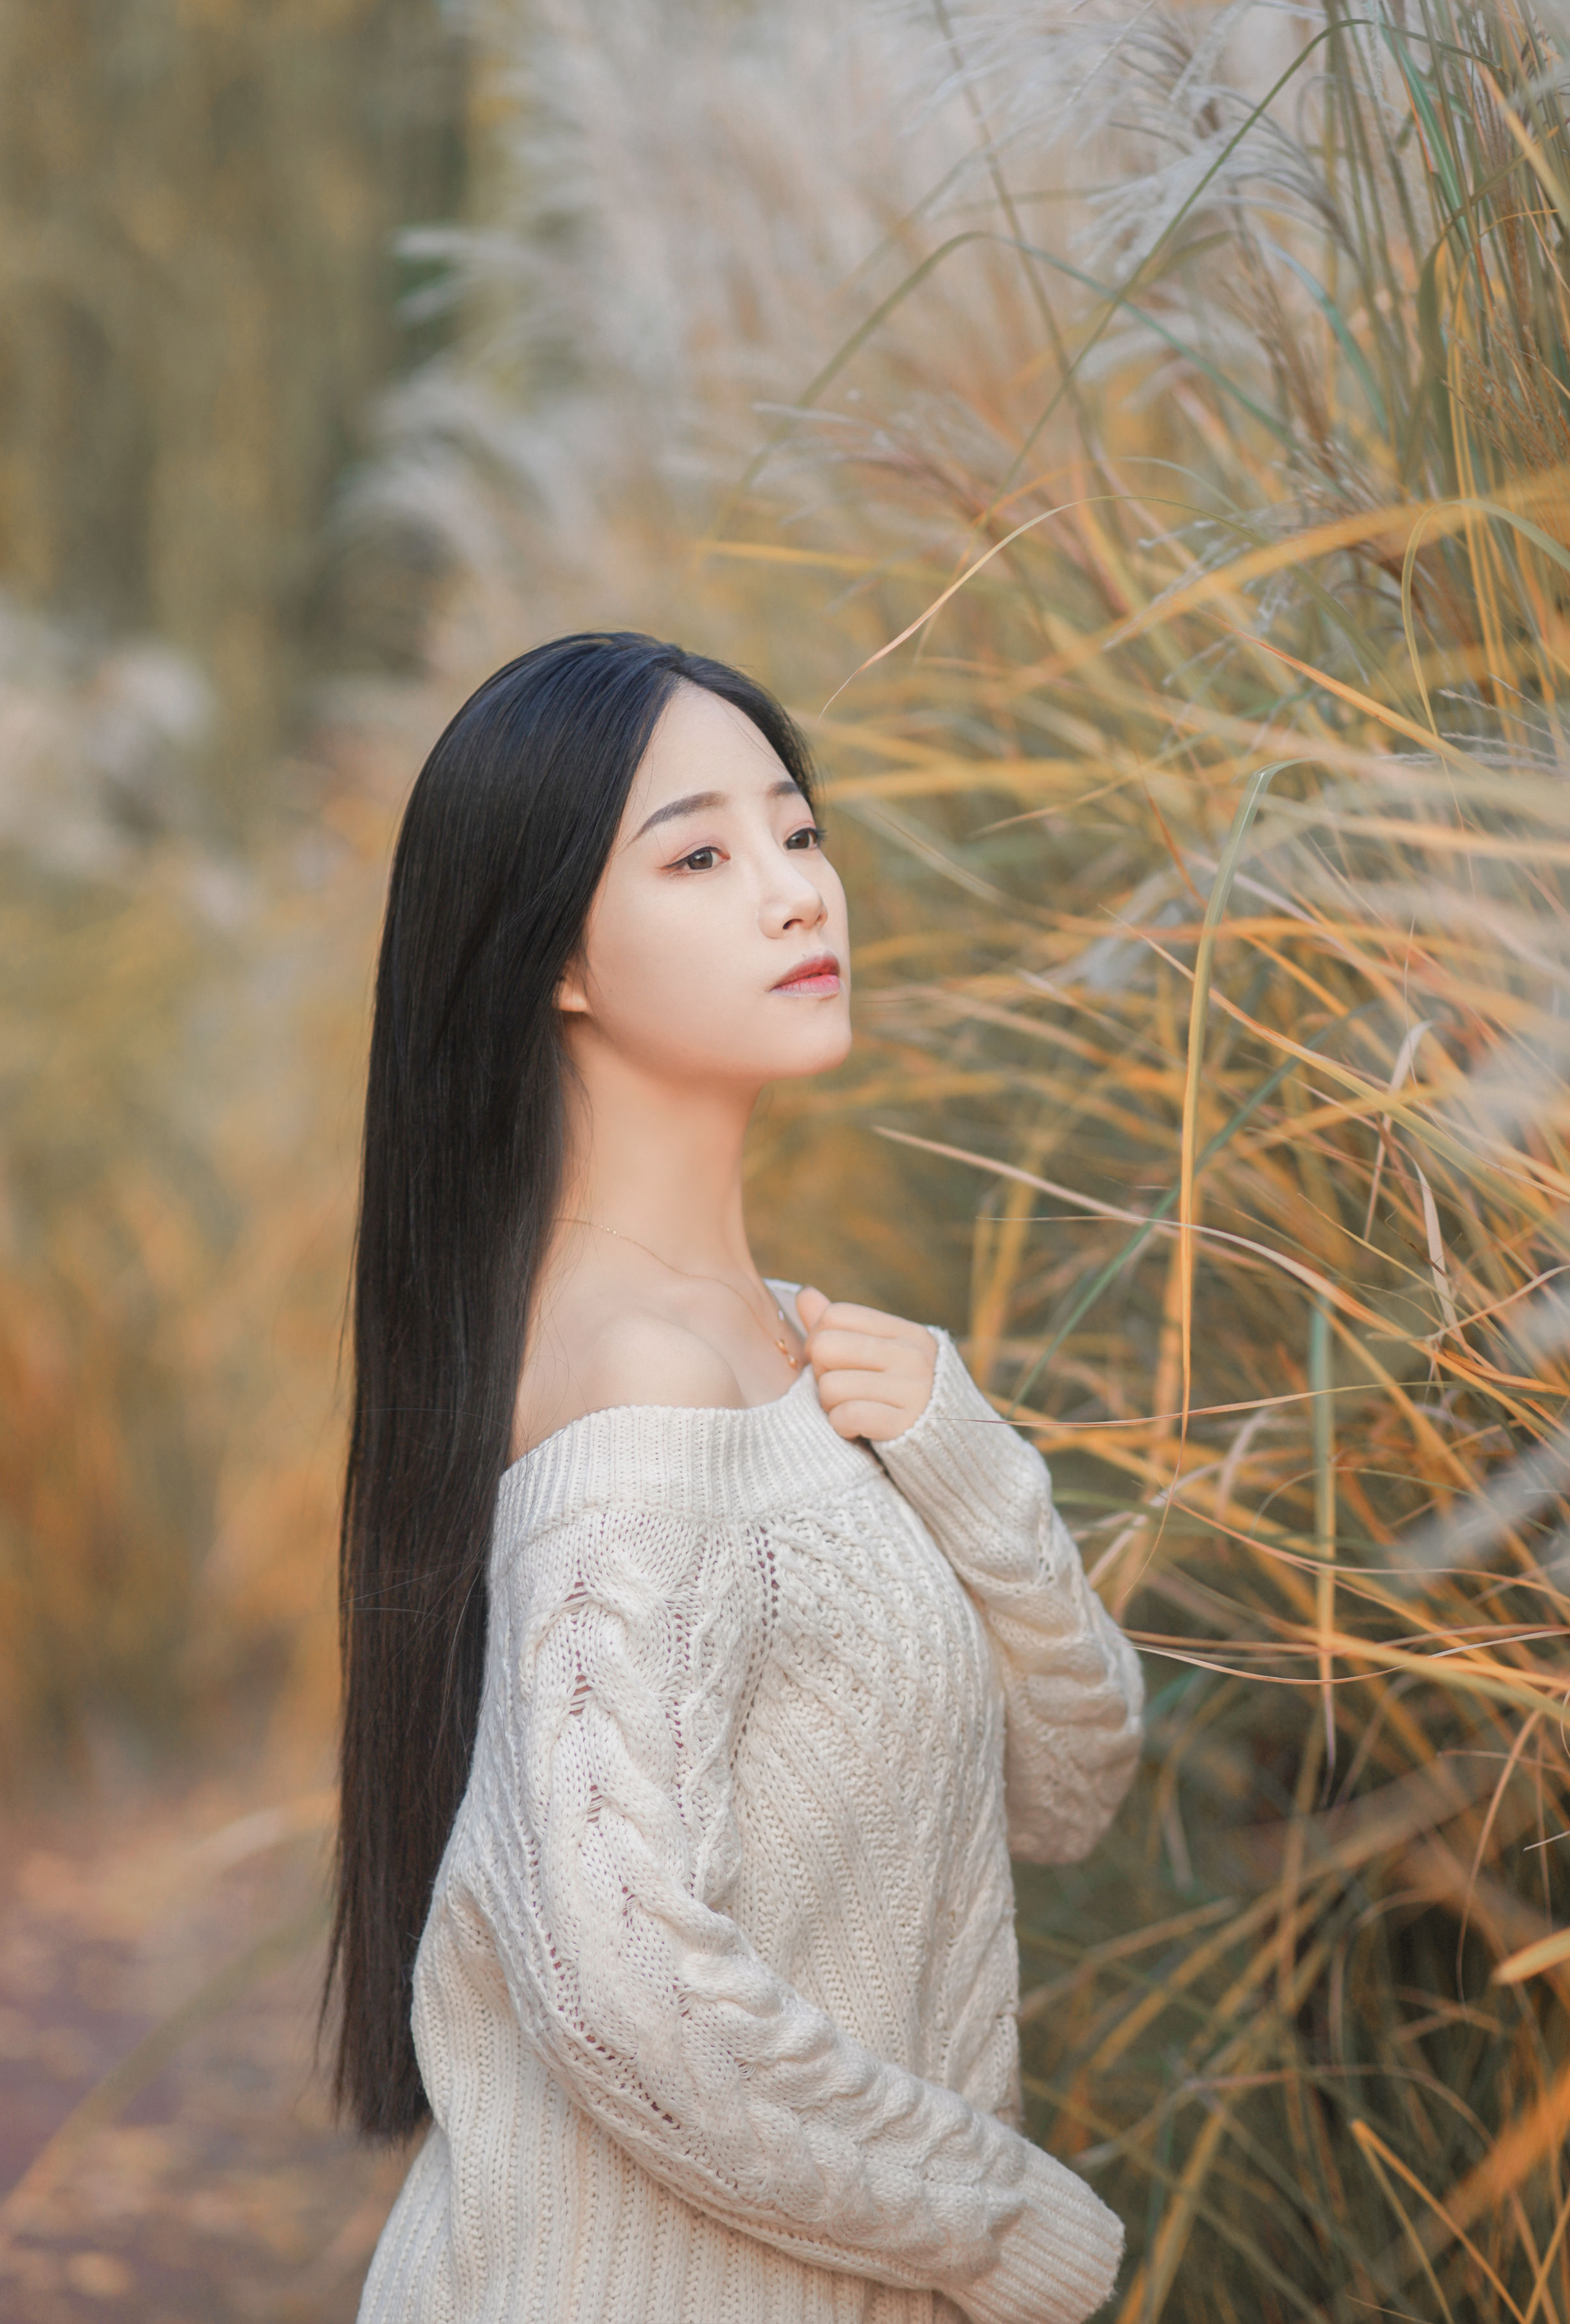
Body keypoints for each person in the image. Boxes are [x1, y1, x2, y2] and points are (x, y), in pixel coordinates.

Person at [329, 631, 1144, 2324]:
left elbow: (1063, 1789)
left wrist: (966, 1464)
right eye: (698, 855)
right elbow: (625, 1992)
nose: (793, 893)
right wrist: (1004, 2227)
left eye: (796, 831)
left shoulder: (797, 1358)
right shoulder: (632, 1391)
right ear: (553, 952)